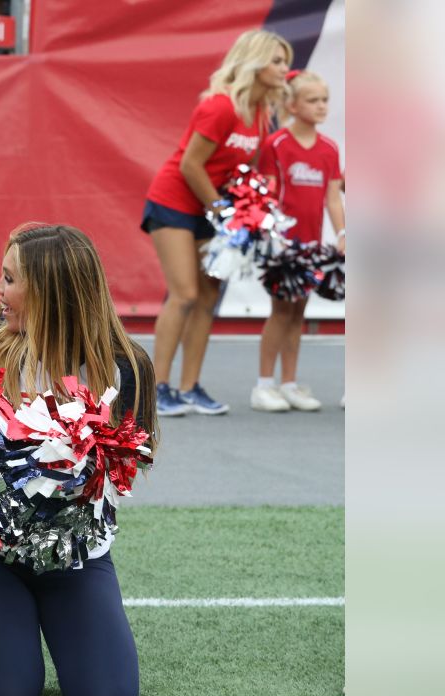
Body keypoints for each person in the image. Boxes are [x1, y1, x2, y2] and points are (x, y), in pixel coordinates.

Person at [0, 224, 156, 696]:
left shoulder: (124, 365)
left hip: (77, 561)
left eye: (9, 279)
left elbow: (123, 469)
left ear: (48, 292)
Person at [142, 29, 293, 416]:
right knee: (185, 294)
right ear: (254, 63)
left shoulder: (261, 114)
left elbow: (242, 169)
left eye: (284, 61)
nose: (283, 68)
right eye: (276, 61)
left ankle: (190, 387)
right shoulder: (219, 107)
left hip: (213, 209)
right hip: (175, 202)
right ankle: (157, 388)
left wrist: (252, 209)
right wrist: (223, 213)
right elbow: (191, 165)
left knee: (209, 297)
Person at [252, 69, 345, 412]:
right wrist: (273, 237)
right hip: (282, 245)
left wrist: (342, 233)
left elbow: (333, 198)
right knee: (280, 312)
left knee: (298, 313)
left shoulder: (329, 149)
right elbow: (268, 194)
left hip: (310, 246)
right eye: (313, 100)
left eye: (325, 100)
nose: (322, 106)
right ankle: (263, 385)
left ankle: (288, 383)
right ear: (291, 105)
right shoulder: (276, 145)